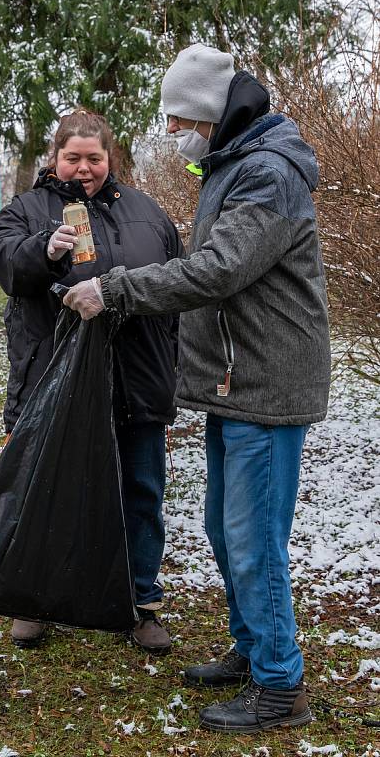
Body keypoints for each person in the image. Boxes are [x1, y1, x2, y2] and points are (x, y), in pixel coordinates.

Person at [64, 45, 331, 733]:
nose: (176, 131)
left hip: (266, 386)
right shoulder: (232, 166)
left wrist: (115, 289)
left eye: (182, 118)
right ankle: (251, 650)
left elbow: (217, 270)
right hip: (233, 379)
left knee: (252, 541)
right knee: (224, 529)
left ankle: (280, 690)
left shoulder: (266, 175)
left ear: (213, 113)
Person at [0, 109, 184, 654]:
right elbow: (7, 267)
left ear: (110, 158)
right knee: (44, 493)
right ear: (55, 158)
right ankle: (32, 600)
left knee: (140, 494)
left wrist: (175, 365)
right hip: (53, 386)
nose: (83, 168)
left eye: (93, 158)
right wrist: (43, 252)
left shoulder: (148, 214)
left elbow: (177, 286)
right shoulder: (25, 210)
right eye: (72, 157)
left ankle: (140, 602)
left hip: (138, 382)